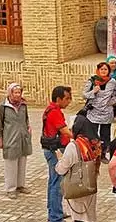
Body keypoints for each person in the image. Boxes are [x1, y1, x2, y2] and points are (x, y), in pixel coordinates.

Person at [55, 115, 102, 222]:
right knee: (90, 216)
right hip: (90, 185)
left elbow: (61, 169)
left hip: (77, 186)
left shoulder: (74, 146)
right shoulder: (95, 144)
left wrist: (59, 158)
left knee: (80, 217)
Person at [0, 83, 32, 198]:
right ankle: (11, 188)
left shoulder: (23, 105)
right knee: (11, 164)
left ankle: (20, 185)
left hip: (22, 138)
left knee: (22, 162)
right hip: (10, 138)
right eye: (15, 92)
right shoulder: (3, 106)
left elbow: (26, 119)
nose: (17, 95)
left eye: (19, 92)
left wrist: (28, 128)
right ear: (10, 93)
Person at [43, 85, 73, 222]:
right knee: (57, 184)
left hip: (50, 149)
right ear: (58, 99)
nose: (69, 101)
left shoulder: (52, 110)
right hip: (54, 150)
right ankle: (55, 216)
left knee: (53, 182)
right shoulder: (54, 112)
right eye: (67, 98)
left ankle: (54, 212)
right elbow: (65, 131)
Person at [83, 62, 116, 162]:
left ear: (109, 71)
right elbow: (84, 95)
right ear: (98, 70)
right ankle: (94, 154)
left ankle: (103, 154)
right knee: (93, 135)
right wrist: (93, 91)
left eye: (105, 69)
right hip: (93, 112)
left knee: (105, 135)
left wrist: (112, 101)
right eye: (101, 69)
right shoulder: (92, 81)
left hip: (106, 113)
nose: (103, 71)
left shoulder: (113, 82)